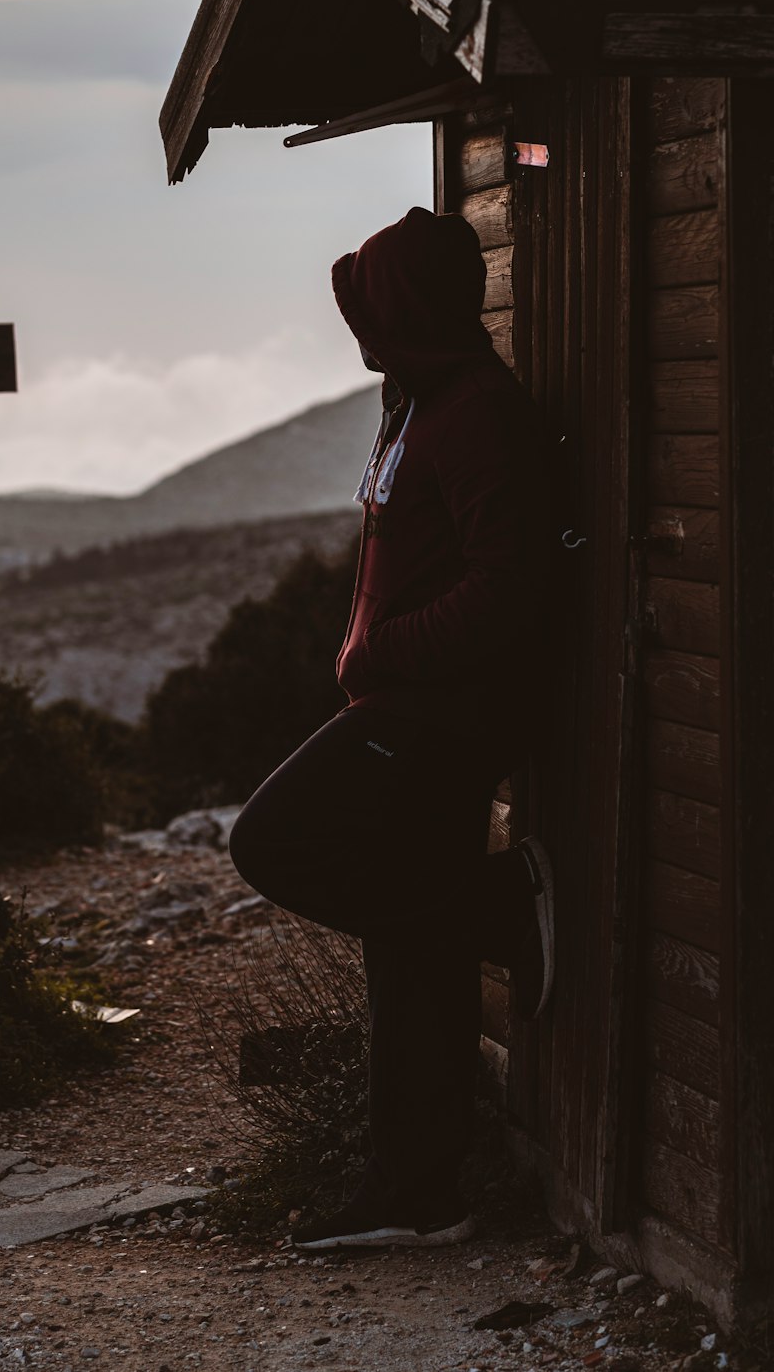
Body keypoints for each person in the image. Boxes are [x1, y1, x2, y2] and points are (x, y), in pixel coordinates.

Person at [228, 204, 555, 1251]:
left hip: (440, 716)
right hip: (400, 706)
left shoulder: (476, 414)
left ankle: (503, 909)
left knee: (271, 841)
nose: (357, 328)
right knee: (407, 948)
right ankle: (420, 1187)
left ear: (407, 309)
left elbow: (507, 588)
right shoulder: (414, 401)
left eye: (371, 305)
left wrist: (382, 655)